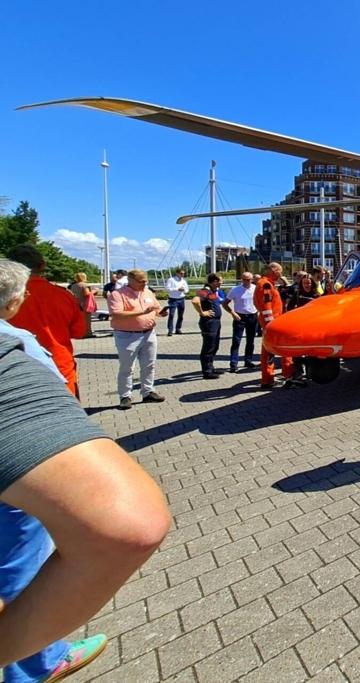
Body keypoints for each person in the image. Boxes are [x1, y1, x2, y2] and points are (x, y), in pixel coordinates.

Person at [0, 329, 171, 679]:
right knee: (21, 557)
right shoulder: (13, 347)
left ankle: (40, 658)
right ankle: (37, 664)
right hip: (30, 473)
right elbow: (126, 525)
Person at [7, 245, 85, 398]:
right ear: (42, 265)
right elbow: (79, 331)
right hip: (59, 367)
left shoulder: (6, 296)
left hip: (11, 370)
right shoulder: (62, 295)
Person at [107, 269, 168, 409]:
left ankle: (147, 392)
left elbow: (156, 309)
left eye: (146, 281)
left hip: (148, 333)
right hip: (127, 335)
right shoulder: (117, 294)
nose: (144, 283)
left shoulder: (148, 292)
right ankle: (125, 396)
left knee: (149, 365)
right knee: (127, 367)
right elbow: (117, 314)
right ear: (130, 280)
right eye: (141, 281)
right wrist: (141, 312)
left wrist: (161, 313)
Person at [255, 263, 296, 389]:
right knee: (286, 348)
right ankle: (289, 375)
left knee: (268, 352)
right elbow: (267, 306)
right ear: (274, 270)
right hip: (273, 322)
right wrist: (271, 324)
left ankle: (267, 379)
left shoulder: (266, 283)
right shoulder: (266, 285)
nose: (281, 274)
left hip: (270, 322)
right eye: (280, 271)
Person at [286, 273, 319, 384]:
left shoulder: (316, 295)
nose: (306, 285)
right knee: (297, 350)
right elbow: (290, 306)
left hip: (312, 325)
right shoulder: (298, 293)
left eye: (308, 283)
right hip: (299, 324)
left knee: (311, 350)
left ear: (312, 283)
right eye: (304, 283)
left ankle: (310, 370)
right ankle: (298, 370)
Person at [191, 273, 225, 380]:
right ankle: (207, 371)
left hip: (215, 322)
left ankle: (211, 367)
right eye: (220, 280)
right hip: (209, 323)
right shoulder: (205, 291)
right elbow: (195, 301)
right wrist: (202, 312)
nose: (222, 282)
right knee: (208, 347)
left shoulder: (213, 291)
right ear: (215, 281)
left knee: (214, 346)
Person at [225, 272, 258, 373]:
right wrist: (232, 313)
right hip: (240, 317)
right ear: (241, 279)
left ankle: (248, 360)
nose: (246, 281)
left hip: (253, 316)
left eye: (248, 279)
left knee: (250, 340)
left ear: (252, 279)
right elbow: (225, 303)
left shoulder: (256, 289)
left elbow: (261, 301)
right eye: (244, 279)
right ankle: (233, 363)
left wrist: (259, 312)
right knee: (236, 341)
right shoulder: (235, 290)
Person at [69, 272, 97, 339]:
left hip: (77, 303)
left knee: (80, 319)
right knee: (87, 319)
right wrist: (95, 291)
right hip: (85, 304)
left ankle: (80, 332)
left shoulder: (74, 285)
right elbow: (87, 294)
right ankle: (87, 333)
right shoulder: (84, 285)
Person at [164, 268, 189, 336]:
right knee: (171, 315)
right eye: (181, 273)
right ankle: (170, 330)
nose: (182, 275)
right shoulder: (171, 280)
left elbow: (187, 290)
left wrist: (183, 290)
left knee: (180, 315)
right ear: (177, 273)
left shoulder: (183, 281)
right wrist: (177, 289)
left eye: (183, 273)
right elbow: (166, 288)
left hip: (181, 299)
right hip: (173, 299)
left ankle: (178, 328)